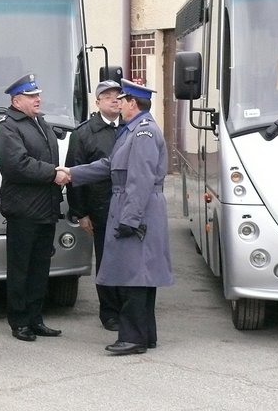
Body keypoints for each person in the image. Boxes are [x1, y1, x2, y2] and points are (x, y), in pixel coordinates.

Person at [60, 78, 174, 355]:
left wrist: (130, 220)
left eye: (122, 100)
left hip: (138, 211)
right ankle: (145, 335)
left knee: (134, 276)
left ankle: (133, 338)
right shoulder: (132, 130)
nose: (118, 104)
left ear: (132, 103)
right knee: (139, 274)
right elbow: (109, 165)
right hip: (134, 208)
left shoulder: (143, 133)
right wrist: (72, 173)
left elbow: (140, 181)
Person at [0, 73, 68, 342]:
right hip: (24, 212)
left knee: (39, 269)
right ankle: (20, 321)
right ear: (16, 101)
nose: (38, 99)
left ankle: (36, 318)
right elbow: (17, 165)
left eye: (38, 95)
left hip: (45, 209)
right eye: (32, 96)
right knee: (20, 269)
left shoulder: (39, 122)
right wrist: (52, 173)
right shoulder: (8, 128)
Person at [65, 80, 124, 332]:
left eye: (118, 95)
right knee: (107, 261)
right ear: (97, 102)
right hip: (101, 209)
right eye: (107, 96)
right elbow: (75, 175)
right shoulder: (84, 133)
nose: (114, 100)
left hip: (128, 209)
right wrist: (81, 213)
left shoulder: (131, 127)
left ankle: (128, 308)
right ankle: (109, 312)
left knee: (129, 261)